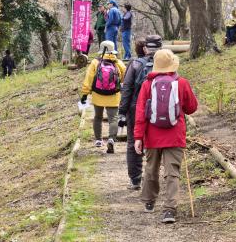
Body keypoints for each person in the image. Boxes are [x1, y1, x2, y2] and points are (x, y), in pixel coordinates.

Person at [134, 49, 198, 224]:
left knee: (151, 168)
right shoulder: (181, 83)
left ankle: (149, 202)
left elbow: (140, 112)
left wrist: (138, 137)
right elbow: (192, 108)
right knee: (172, 173)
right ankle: (169, 210)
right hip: (175, 135)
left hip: (152, 135)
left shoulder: (147, 85)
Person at [117, 35, 162, 190]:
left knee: (133, 143)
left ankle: (135, 179)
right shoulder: (165, 63)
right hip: (159, 109)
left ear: (144, 48)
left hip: (136, 109)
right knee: (155, 142)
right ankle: (152, 178)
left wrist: (122, 111)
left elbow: (127, 89)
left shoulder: (135, 64)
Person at [80, 41, 126, 154]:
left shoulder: (95, 62)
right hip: (113, 95)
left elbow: (89, 78)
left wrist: (85, 93)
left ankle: (98, 140)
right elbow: (125, 76)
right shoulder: (118, 63)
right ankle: (111, 138)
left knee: (98, 117)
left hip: (97, 94)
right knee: (113, 118)